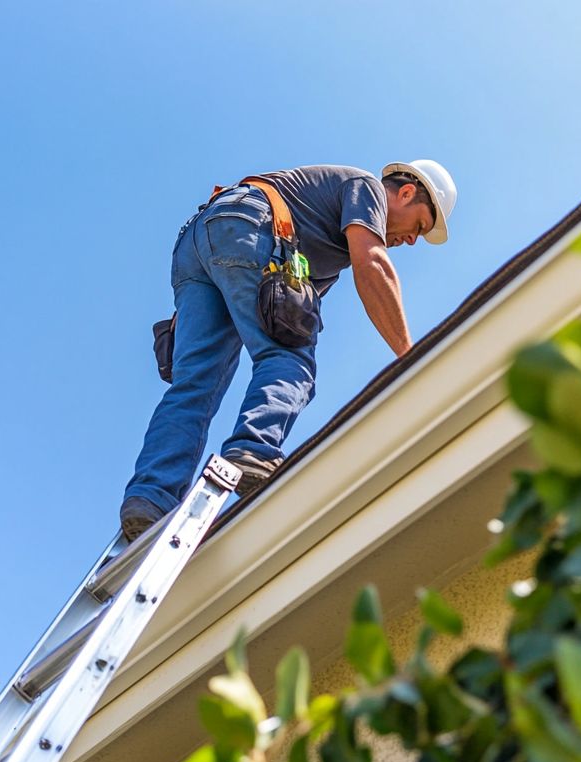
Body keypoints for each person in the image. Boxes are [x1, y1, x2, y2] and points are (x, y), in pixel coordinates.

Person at [119, 160, 458, 541]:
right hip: (252, 227)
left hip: (203, 242)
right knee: (290, 361)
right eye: (419, 226)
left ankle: (149, 501)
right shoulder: (367, 189)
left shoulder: (326, 247)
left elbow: (286, 313)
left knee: (194, 385)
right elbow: (373, 264)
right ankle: (254, 449)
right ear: (407, 192)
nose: (412, 240)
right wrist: (409, 358)